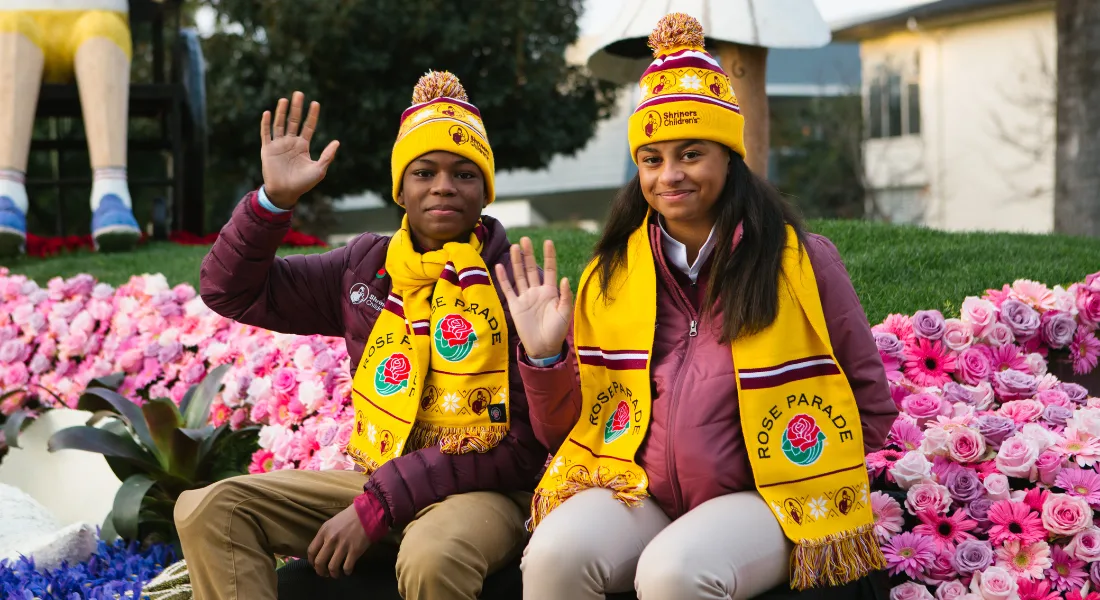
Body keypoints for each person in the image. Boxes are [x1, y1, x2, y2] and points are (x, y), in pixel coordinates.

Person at [497, 14, 899, 600]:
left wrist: (800, 463)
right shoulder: (611, 274)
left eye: (691, 154)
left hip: (766, 498)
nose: (670, 175)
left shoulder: (803, 261)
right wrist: (543, 356)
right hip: (644, 493)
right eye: (652, 159)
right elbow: (567, 430)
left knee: (674, 574)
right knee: (555, 556)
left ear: (729, 158)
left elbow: (871, 405)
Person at [173, 71, 546, 600]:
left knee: (431, 557)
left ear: (485, 190)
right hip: (378, 478)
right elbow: (229, 291)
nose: (443, 185)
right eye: (424, 171)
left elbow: (524, 449)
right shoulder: (364, 268)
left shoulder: (516, 282)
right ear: (401, 188)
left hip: (484, 494)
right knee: (210, 508)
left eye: (464, 174)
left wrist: (378, 504)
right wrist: (272, 202)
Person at [0, 0, 141, 256]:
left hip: (98, 12)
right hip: (16, 14)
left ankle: (112, 194)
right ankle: (5, 193)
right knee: (8, 38)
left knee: (102, 33)